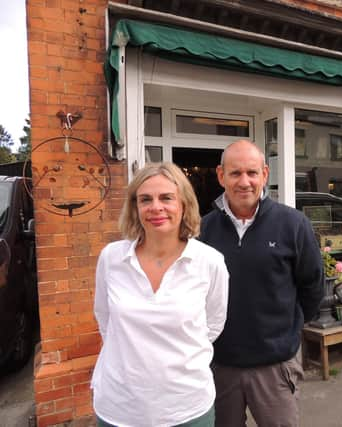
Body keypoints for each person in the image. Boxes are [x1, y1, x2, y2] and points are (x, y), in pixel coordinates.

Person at [92, 162, 229, 427]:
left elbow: (213, 326)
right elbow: (105, 319)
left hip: (187, 408)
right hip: (120, 408)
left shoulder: (209, 262)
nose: (156, 207)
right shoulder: (112, 257)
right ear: (135, 208)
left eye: (166, 197)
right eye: (145, 199)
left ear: (184, 204)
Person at [200, 140, 323, 427]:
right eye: (235, 173)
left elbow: (313, 286)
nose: (245, 182)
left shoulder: (293, 224)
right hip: (220, 365)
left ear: (265, 174)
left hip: (275, 366)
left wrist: (287, 331)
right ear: (221, 175)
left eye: (252, 173)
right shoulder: (203, 230)